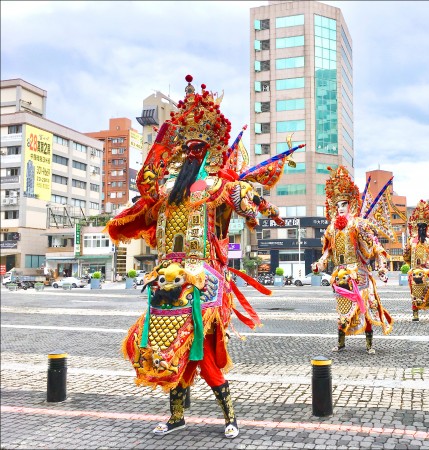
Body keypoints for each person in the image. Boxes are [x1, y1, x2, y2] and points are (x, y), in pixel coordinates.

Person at [106, 75, 299, 438]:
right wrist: (163, 136)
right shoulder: (166, 188)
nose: (193, 152)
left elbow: (247, 198)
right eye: (188, 147)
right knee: (167, 349)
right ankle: (177, 415)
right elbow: (144, 185)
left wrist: (268, 213)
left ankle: (229, 417)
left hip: (203, 278)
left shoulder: (218, 186)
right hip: (165, 274)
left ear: (209, 149)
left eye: (199, 147)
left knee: (205, 355)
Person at [311, 166, 393, 354]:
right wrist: (319, 264)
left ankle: (369, 344)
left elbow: (375, 245)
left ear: (351, 205)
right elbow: (328, 252)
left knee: (365, 308)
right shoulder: (331, 228)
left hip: (359, 272)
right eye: (337, 205)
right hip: (340, 273)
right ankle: (341, 343)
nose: (340, 208)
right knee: (342, 310)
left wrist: (381, 265)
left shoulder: (358, 224)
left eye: (344, 204)